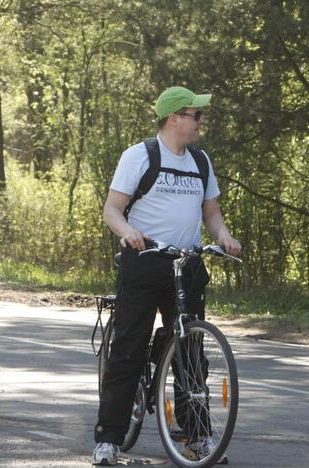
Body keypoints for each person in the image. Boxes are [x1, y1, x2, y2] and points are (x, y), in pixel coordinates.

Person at [92, 86, 241, 466]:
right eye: (196, 114)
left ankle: (196, 437)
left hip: (187, 264)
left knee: (190, 352)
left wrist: (222, 235)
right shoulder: (140, 155)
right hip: (145, 260)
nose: (201, 121)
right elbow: (112, 210)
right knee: (128, 349)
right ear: (174, 117)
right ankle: (108, 439)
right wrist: (128, 233)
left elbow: (211, 213)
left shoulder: (200, 161)